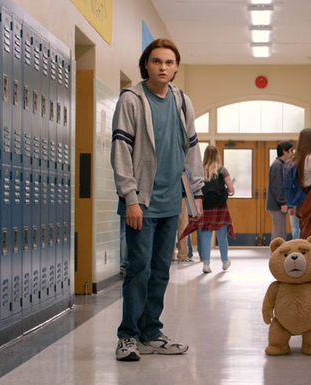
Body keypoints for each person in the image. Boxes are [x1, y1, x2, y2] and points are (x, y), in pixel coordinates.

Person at [110, 38, 203, 362]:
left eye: (169, 62)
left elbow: (192, 149)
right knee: (139, 269)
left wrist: (197, 195)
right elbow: (120, 149)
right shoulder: (132, 99)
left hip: (171, 201)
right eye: (156, 61)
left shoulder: (181, 101)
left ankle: (151, 333)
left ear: (176, 67)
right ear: (145, 65)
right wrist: (131, 198)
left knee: (162, 269)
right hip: (143, 201)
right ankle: (128, 336)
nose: (163, 67)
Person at [180, 145, 236, 273]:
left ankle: (206, 264)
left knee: (205, 235)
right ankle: (225, 261)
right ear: (217, 155)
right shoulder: (222, 170)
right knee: (222, 236)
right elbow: (231, 189)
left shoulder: (200, 169)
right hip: (220, 208)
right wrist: (228, 191)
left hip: (205, 207)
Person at [267, 141, 294, 241]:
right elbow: (276, 186)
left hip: (279, 204)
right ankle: (275, 256)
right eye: (291, 151)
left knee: (281, 233)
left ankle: (277, 256)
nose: (292, 153)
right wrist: (282, 202)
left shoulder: (281, 164)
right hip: (277, 205)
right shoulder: (277, 165)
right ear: (284, 151)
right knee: (279, 234)